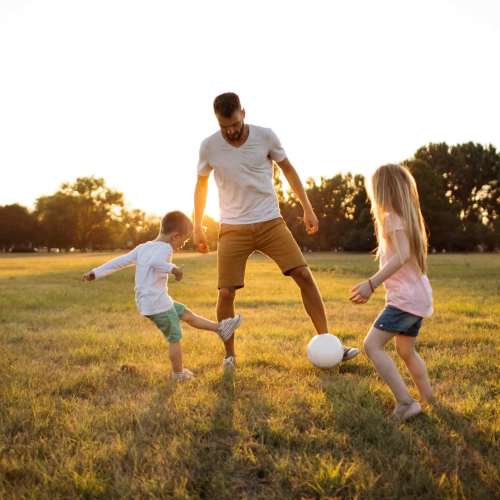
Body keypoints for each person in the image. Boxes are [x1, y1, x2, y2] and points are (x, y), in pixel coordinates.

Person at [194, 92, 359, 369]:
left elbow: (289, 170)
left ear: (243, 113)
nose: (231, 131)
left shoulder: (265, 136)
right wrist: (197, 224)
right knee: (225, 293)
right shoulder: (209, 146)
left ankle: (330, 343)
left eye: (234, 124)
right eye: (225, 127)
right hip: (233, 227)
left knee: (304, 275)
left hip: (271, 221)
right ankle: (229, 356)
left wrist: (307, 207)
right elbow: (201, 185)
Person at [82, 211, 241, 380]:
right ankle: (178, 373)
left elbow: (120, 261)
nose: (183, 244)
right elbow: (156, 263)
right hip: (157, 303)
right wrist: (174, 269)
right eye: (184, 239)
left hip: (151, 301)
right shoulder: (165, 248)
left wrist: (95, 273)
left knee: (185, 313)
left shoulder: (143, 247)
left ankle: (220, 329)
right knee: (174, 336)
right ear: (175, 236)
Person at [350, 164, 433, 421]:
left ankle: (406, 403)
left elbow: (401, 256)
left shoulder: (391, 219)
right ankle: (429, 399)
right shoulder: (405, 218)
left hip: (405, 301)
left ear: (381, 191)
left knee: (371, 346)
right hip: (417, 298)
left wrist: (371, 283)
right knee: (406, 352)